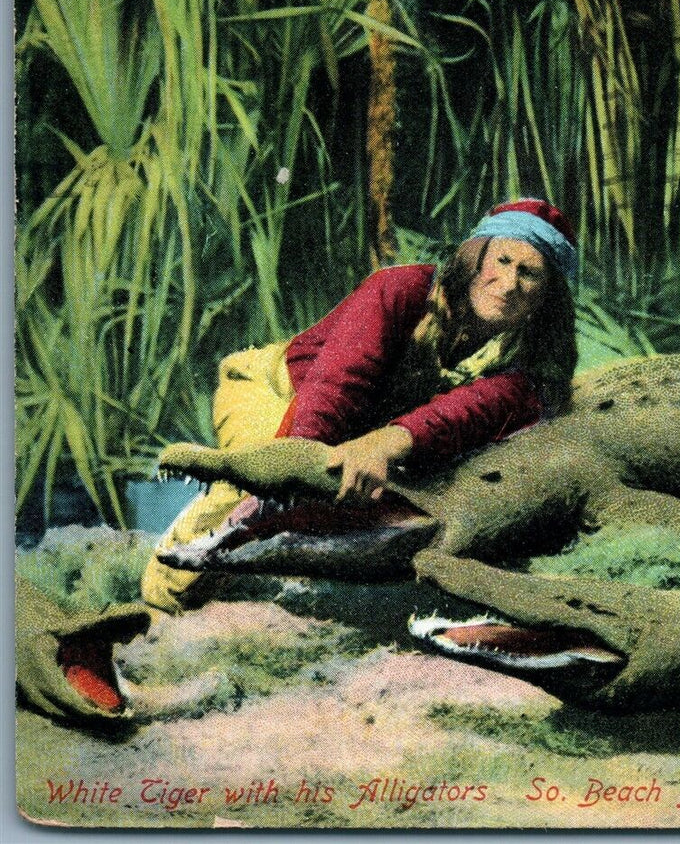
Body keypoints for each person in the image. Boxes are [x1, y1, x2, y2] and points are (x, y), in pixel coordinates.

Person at [140, 199, 579, 613]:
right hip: (281, 392)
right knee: (254, 490)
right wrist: (295, 468)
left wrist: (382, 445)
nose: (508, 284)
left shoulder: (530, 366)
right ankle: (159, 606)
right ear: (477, 257)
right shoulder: (401, 288)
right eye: (502, 261)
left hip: (370, 438)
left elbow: (466, 411)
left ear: (547, 294)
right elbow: (337, 384)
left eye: (530, 273)